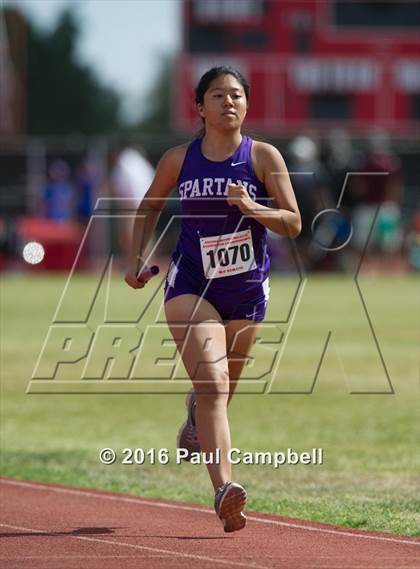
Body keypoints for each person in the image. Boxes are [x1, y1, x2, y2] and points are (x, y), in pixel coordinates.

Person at [125, 66, 301, 533]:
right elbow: (148, 207)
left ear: (247, 104)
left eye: (237, 95)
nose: (229, 102)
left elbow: (294, 223)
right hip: (191, 288)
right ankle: (225, 490)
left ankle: (194, 422)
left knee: (222, 393)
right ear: (199, 108)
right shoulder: (179, 160)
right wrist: (135, 258)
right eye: (218, 95)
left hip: (246, 292)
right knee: (214, 387)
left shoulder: (263, 157)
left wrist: (253, 207)